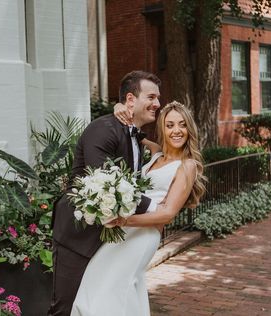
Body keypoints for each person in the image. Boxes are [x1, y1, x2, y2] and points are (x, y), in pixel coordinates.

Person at [70, 101, 206, 315]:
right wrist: (119, 108)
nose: (177, 130)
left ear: (189, 129)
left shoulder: (187, 165)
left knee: (114, 287)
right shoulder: (158, 153)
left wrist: (124, 220)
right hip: (125, 229)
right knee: (104, 282)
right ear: (162, 128)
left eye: (182, 125)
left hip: (143, 233)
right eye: (170, 125)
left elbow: (167, 214)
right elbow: (134, 134)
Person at [48, 70, 161, 315]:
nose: (157, 104)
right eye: (151, 97)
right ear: (131, 100)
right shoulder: (104, 129)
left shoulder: (135, 138)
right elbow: (102, 180)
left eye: (158, 98)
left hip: (107, 241)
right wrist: (155, 208)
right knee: (65, 308)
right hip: (77, 237)